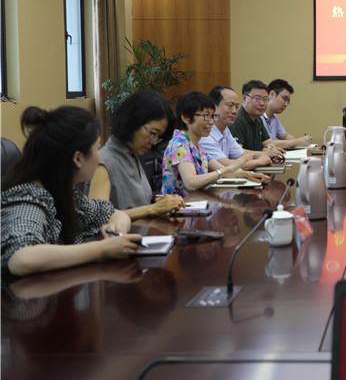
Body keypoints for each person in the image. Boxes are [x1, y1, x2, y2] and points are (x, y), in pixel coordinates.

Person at [1, 106, 141, 277]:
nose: (100, 156)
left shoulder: (61, 188)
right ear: (78, 158)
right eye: (97, 148)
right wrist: (103, 249)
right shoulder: (29, 198)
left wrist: (117, 227)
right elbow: (22, 260)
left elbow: (112, 213)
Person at [88, 91, 186, 220]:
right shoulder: (104, 162)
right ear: (133, 121)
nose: (154, 141)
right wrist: (152, 209)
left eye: (158, 136)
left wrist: (159, 202)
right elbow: (97, 218)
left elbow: (139, 203)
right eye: (153, 133)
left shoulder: (132, 155)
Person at [161, 92, 269, 196]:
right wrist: (232, 167)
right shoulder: (179, 144)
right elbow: (191, 183)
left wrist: (247, 175)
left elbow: (223, 171)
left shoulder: (196, 146)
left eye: (212, 116)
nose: (211, 122)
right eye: (206, 116)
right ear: (186, 118)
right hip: (180, 206)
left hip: (198, 202)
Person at [199, 85, 281, 170]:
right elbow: (227, 166)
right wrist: (259, 161)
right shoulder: (205, 136)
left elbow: (242, 155)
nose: (234, 111)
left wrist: (266, 154)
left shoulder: (225, 130)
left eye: (236, 106)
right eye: (230, 105)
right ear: (213, 106)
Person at [260, 78, 313, 149]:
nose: (286, 105)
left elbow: (285, 136)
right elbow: (266, 143)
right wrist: (298, 142)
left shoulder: (274, 117)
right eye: (284, 99)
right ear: (271, 94)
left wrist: (298, 141)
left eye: (287, 102)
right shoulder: (257, 115)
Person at [229, 80, 275, 152]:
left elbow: (268, 142)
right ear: (244, 98)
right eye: (257, 99)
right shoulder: (236, 119)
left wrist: (270, 149)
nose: (262, 103)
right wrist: (263, 153)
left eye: (265, 99)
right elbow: (237, 152)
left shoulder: (258, 119)